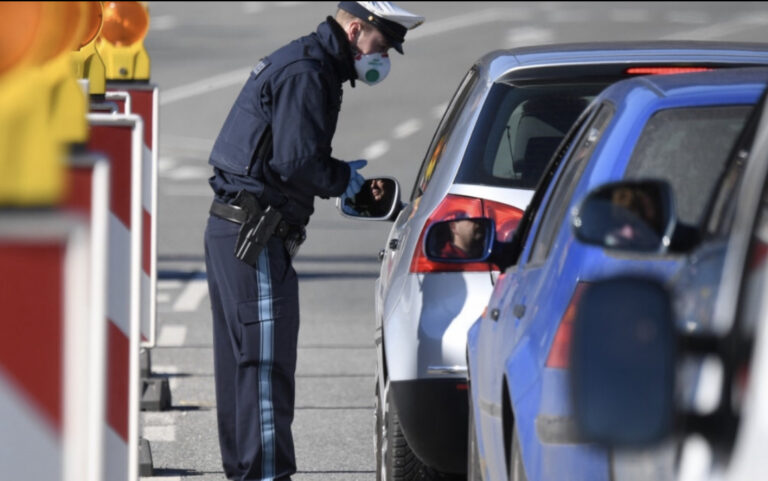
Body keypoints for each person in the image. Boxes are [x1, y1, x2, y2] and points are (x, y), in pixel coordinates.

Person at [203, 2, 425, 480]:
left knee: (244, 370)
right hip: (255, 235)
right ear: (356, 26)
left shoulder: (309, 62)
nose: (381, 57)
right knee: (264, 369)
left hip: (238, 229)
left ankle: (247, 473)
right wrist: (341, 178)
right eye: (381, 44)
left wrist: (336, 178)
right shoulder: (308, 72)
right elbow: (296, 161)